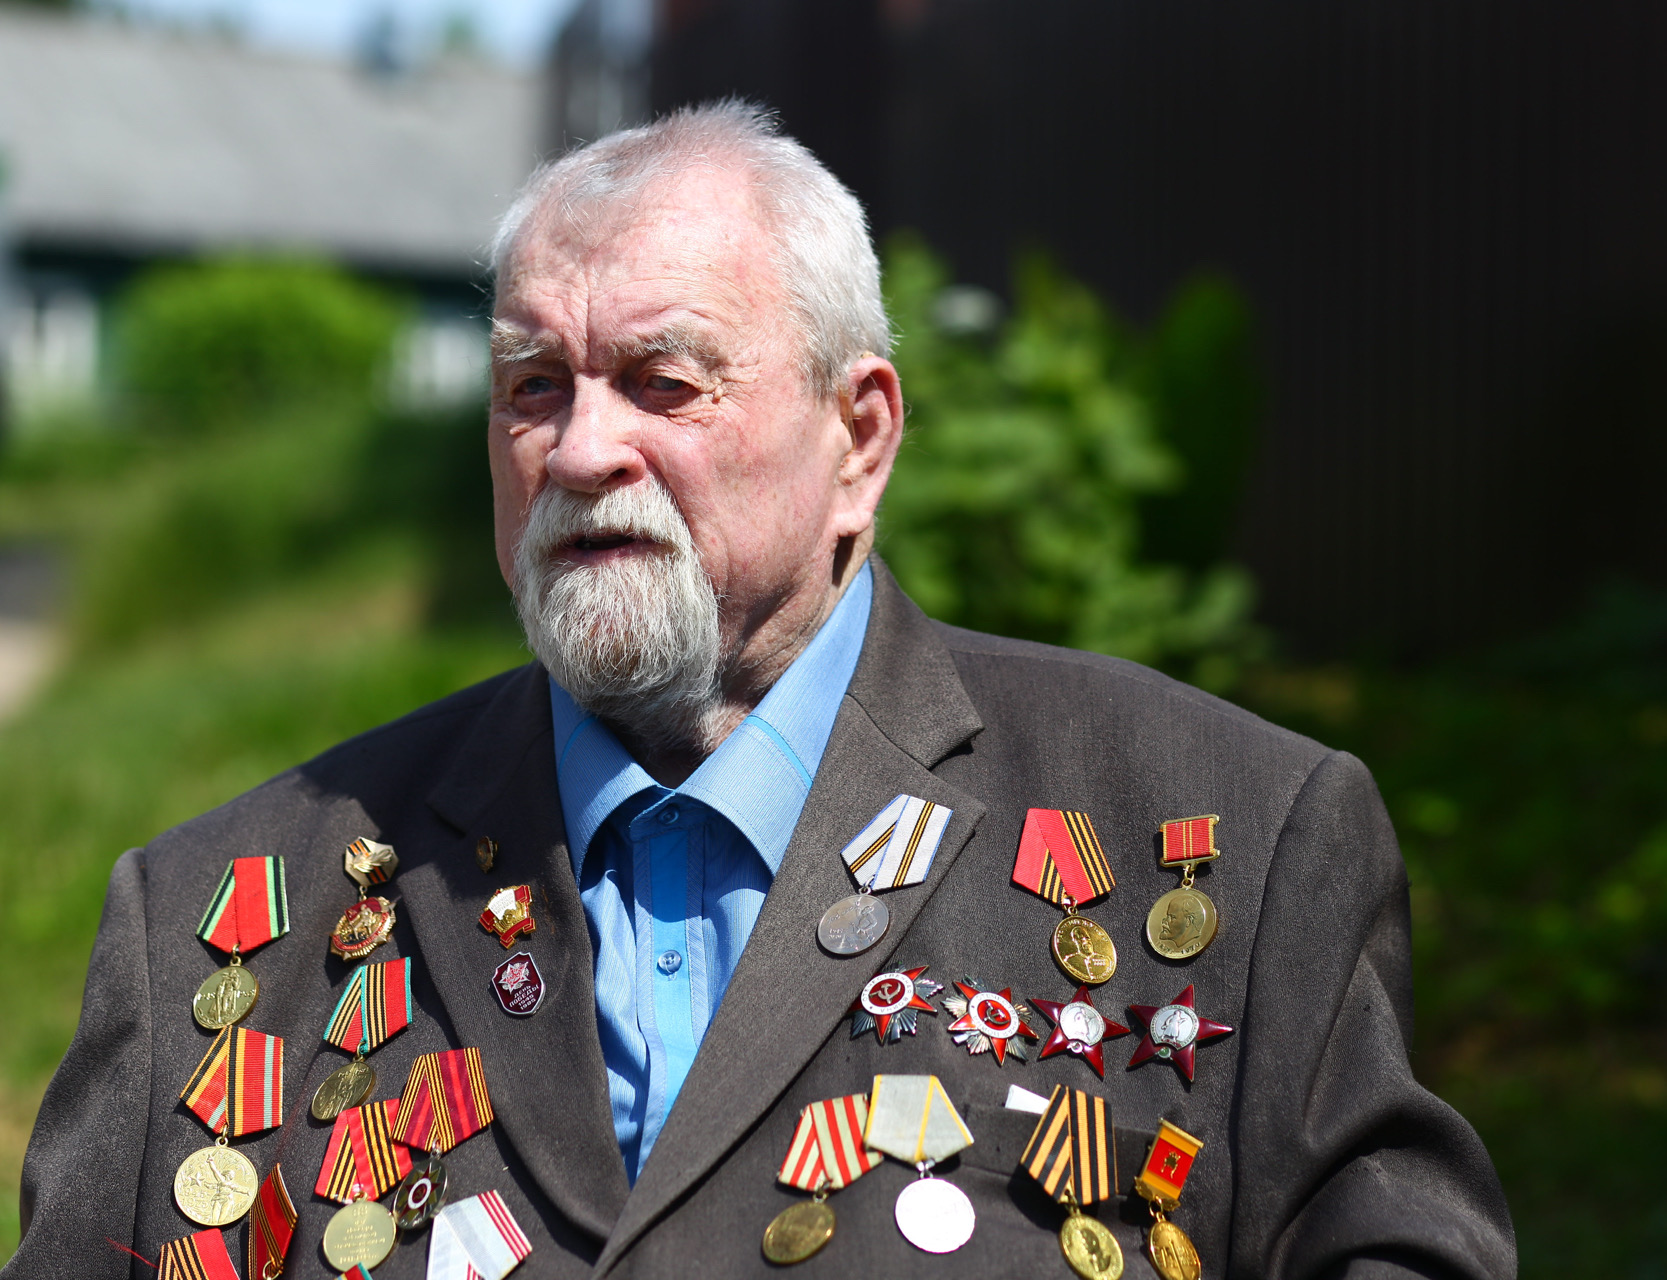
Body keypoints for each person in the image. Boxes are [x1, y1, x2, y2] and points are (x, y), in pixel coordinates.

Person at [7, 102, 1516, 1279]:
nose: (583, 448)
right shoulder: (221, 915)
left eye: (663, 382)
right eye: (537, 386)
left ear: (859, 438)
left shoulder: (1241, 843)